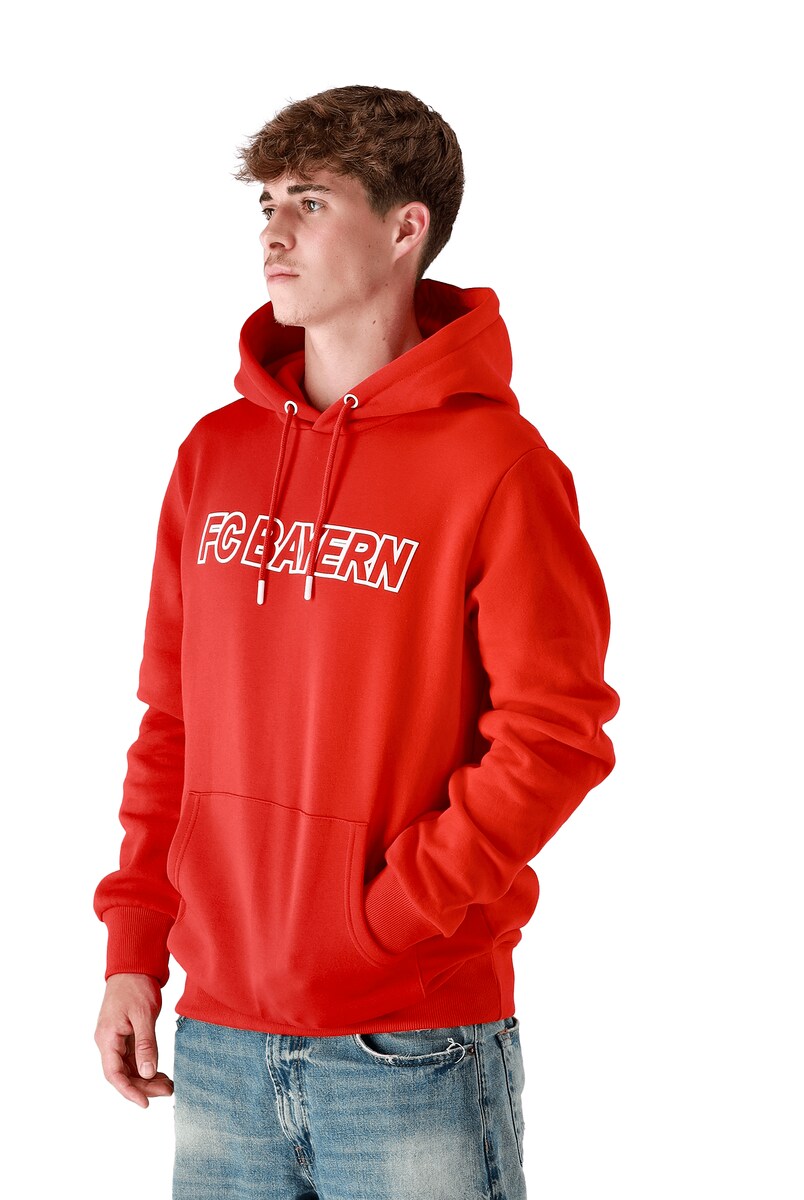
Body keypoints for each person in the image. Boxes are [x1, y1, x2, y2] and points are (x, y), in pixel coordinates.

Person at [93, 84, 619, 1200]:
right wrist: (136, 943)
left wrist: (386, 918)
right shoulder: (213, 456)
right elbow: (172, 719)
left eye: (312, 202)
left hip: (408, 1044)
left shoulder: (500, 469)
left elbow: (556, 736)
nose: (274, 233)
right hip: (220, 1040)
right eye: (267, 203)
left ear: (405, 227)